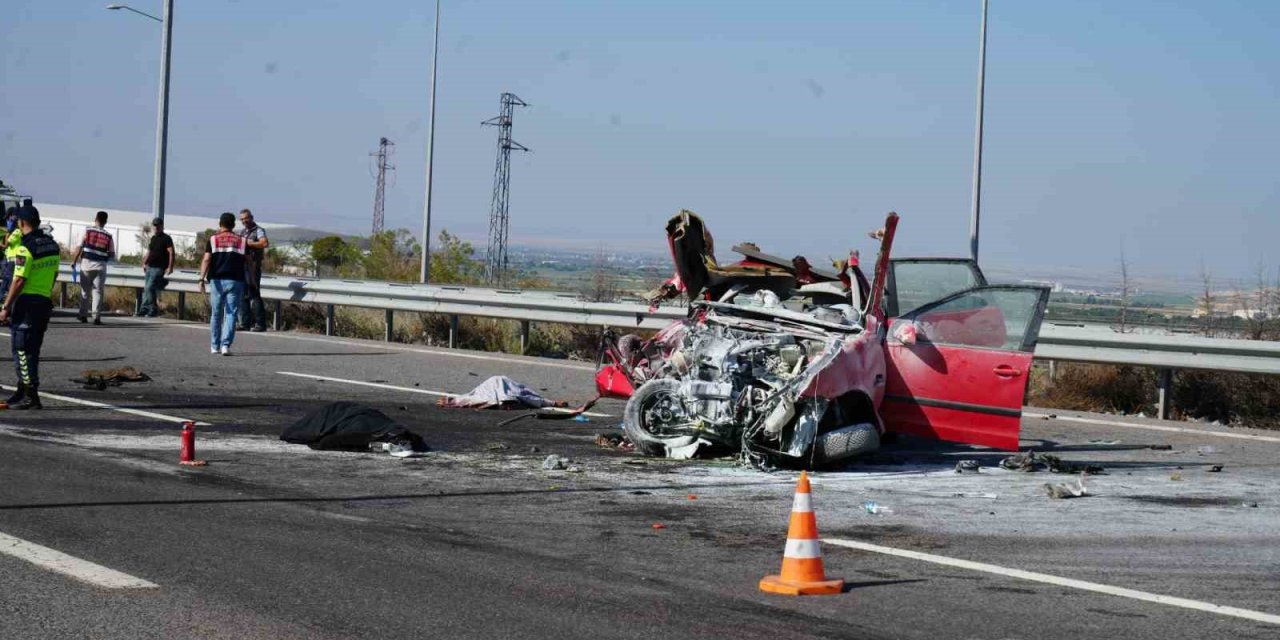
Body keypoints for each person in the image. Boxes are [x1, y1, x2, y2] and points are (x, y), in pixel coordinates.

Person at [0, 205, 60, 409]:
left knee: (22, 350)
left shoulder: (26, 247)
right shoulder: (52, 245)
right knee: (31, 350)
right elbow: (54, 274)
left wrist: (6, 307)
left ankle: (31, 396)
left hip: (27, 304)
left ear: (22, 222)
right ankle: (22, 390)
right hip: (43, 302)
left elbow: (18, 280)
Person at [199, 212, 247, 355]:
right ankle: (225, 345)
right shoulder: (242, 241)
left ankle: (214, 346)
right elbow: (249, 262)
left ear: (220, 224)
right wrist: (251, 280)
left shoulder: (213, 239)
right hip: (236, 280)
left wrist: (201, 278)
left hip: (217, 281)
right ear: (233, 225)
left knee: (216, 313)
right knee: (231, 313)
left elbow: (207, 259)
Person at [72, 210, 115, 325]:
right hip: (100, 267)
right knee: (98, 292)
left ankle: (83, 315)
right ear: (105, 221)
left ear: (95, 219)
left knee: (85, 292)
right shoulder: (108, 236)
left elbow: (79, 247)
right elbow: (111, 254)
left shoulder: (87, 231)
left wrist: (74, 261)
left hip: (86, 265)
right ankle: (96, 317)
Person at [236, 208, 269, 332]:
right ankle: (244, 323)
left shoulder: (259, 230)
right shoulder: (242, 231)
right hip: (242, 266)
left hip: (253, 267)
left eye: (246, 218)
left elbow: (264, 243)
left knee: (254, 295)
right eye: (242, 219)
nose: (244, 221)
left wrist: (249, 243)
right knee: (243, 295)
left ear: (252, 217)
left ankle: (261, 324)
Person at [138, 217, 175, 317]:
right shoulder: (153, 238)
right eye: (154, 225)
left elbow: (171, 253)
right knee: (146, 288)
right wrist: (144, 263)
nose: (156, 227)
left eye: (158, 225)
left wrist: (170, 267)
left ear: (162, 226)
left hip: (159, 268)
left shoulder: (166, 238)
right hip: (150, 266)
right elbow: (150, 252)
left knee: (150, 287)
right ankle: (144, 309)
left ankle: (153, 308)